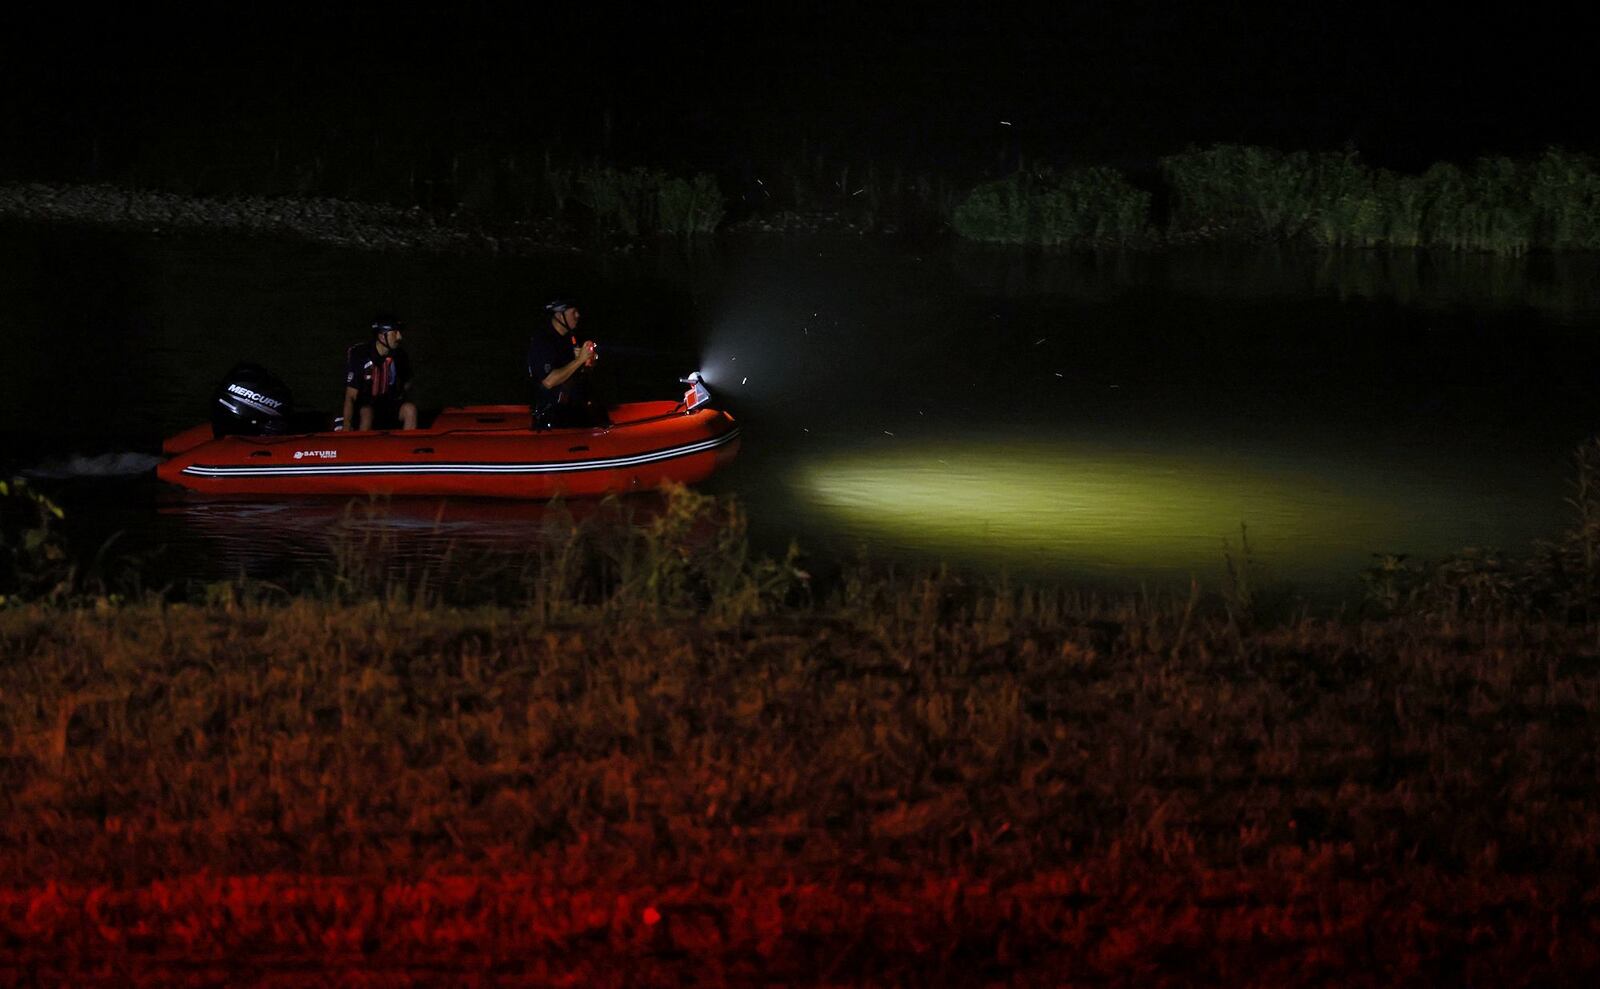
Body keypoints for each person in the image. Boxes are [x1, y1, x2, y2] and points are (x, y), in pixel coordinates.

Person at [527, 299, 607, 429]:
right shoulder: (543, 341)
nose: (578, 315)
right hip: (551, 417)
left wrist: (588, 362)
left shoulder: (570, 338)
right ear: (559, 315)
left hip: (574, 410)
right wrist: (579, 361)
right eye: (573, 312)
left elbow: (576, 372)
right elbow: (548, 381)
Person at [341, 313, 418, 430]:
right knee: (366, 412)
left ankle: (405, 446)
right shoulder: (361, 355)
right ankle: (361, 446)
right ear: (382, 336)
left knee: (410, 409)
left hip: (386, 405)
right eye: (395, 333)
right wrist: (346, 426)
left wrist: (399, 393)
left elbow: (408, 380)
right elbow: (350, 396)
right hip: (364, 407)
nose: (399, 337)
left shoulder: (400, 356)